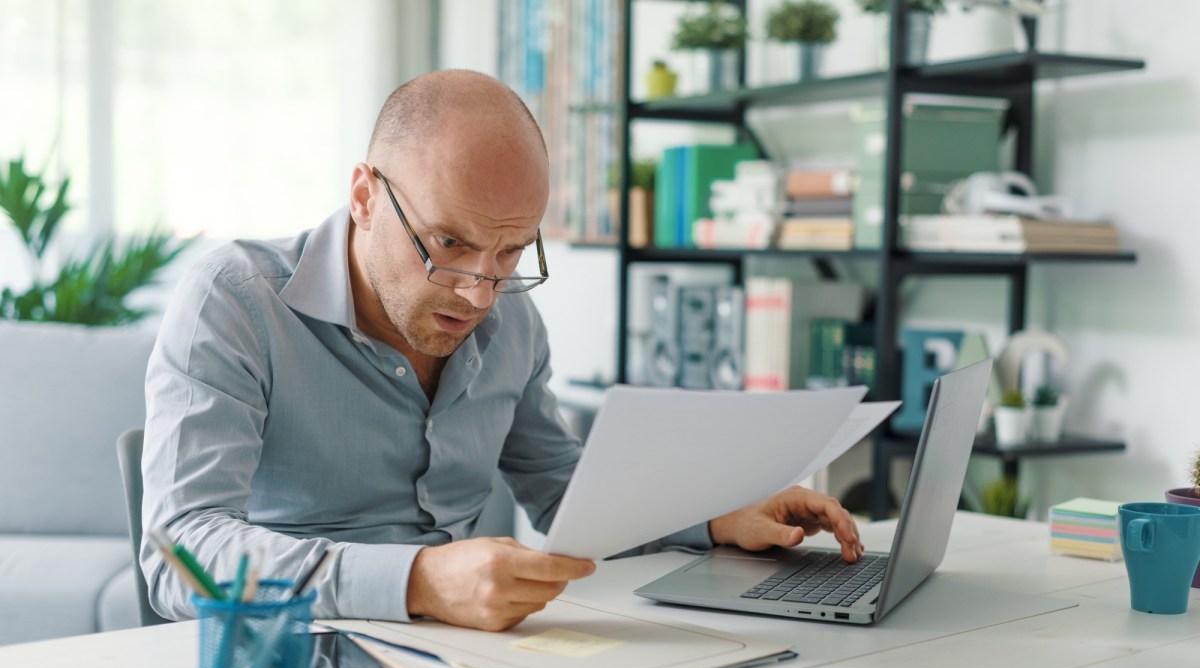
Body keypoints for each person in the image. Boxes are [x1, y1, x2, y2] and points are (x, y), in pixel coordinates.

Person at [141, 69, 862, 632]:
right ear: (364, 195)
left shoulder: (512, 324)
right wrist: (418, 581)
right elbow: (182, 549)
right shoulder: (234, 299)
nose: (480, 293)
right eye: (449, 244)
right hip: (290, 655)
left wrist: (716, 517)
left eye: (511, 251)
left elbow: (564, 491)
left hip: (471, 657)